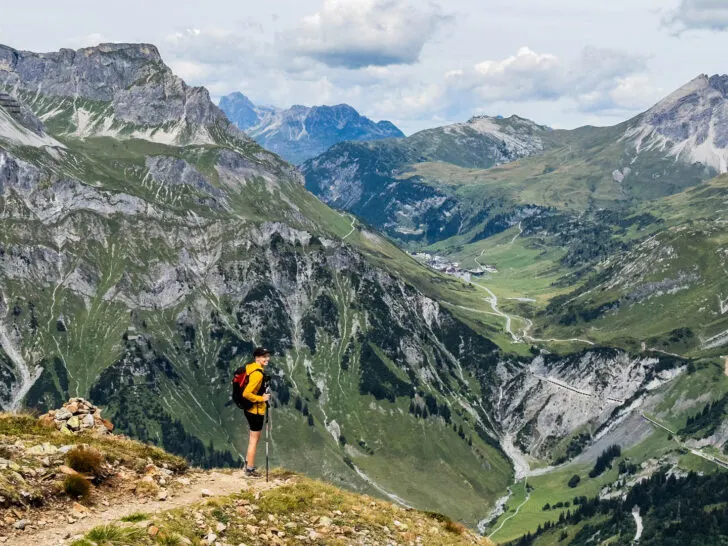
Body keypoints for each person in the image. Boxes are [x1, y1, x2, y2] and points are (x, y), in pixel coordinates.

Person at [242, 347, 271, 477]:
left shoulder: (252, 368)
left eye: (267, 356)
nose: (267, 359)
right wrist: (262, 398)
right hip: (256, 411)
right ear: (257, 358)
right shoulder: (257, 374)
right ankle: (250, 469)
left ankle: (248, 465)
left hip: (251, 409)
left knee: (252, 439)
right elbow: (246, 393)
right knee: (254, 440)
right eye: (264, 357)